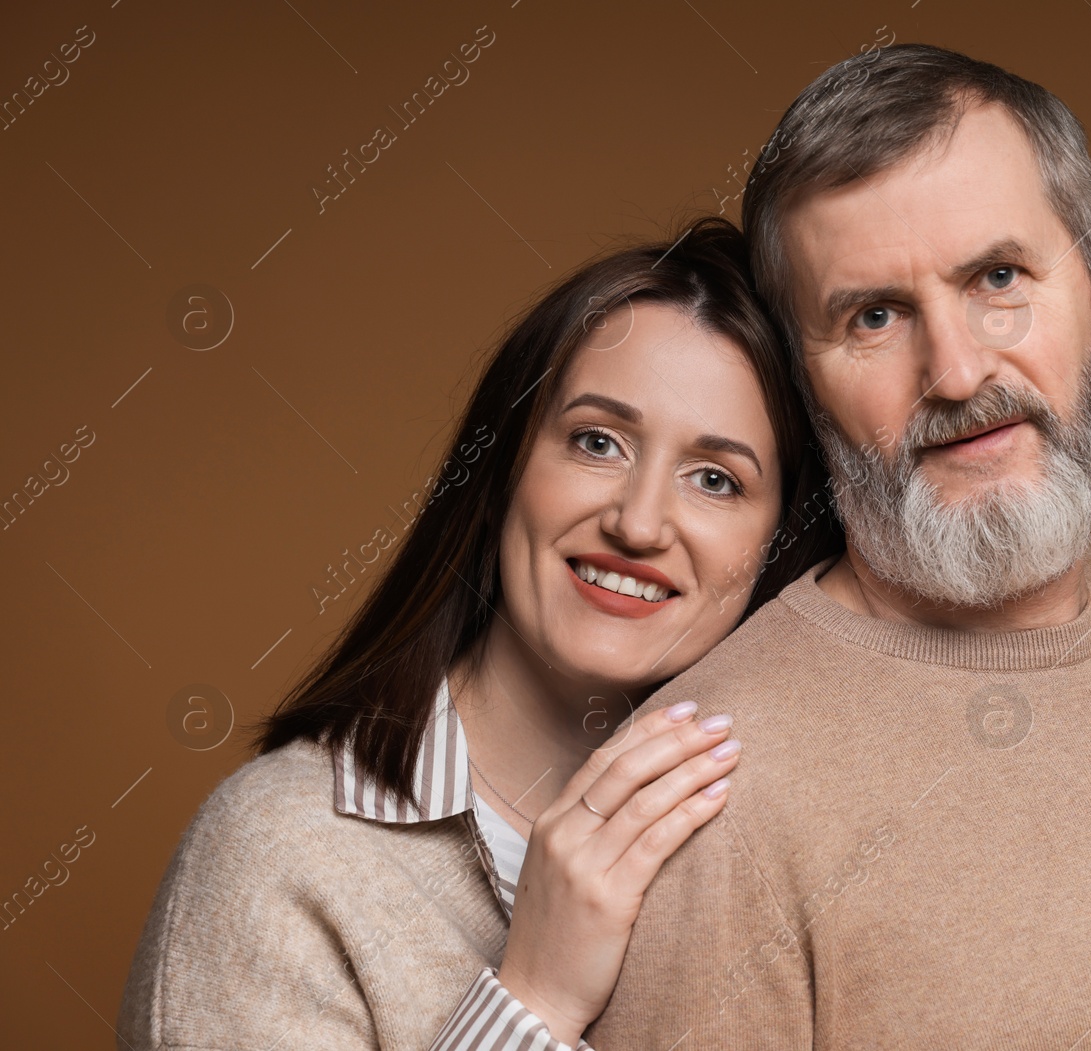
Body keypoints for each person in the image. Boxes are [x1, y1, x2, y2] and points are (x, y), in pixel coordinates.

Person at [586, 44, 1091, 1048]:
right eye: (873, 315)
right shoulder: (712, 773)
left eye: (997, 277)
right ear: (800, 377)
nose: (956, 373)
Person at [117, 217, 843, 1050]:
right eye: (596, 442)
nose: (640, 523)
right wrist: (532, 995)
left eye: (716, 479)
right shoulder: (279, 855)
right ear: (501, 474)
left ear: (776, 544)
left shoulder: (787, 851)